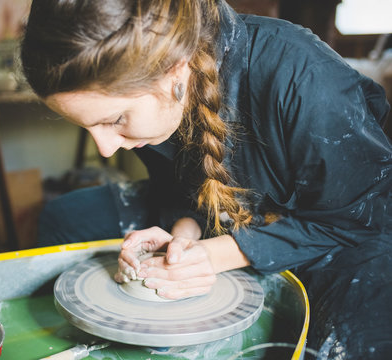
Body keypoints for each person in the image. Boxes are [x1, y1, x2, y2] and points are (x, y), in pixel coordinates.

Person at [20, 0, 392, 358]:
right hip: (230, 212)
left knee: (344, 343)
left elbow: (359, 217)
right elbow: (182, 189)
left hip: (342, 234)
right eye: (89, 127)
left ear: (175, 72)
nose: (105, 149)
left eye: (115, 120)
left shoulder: (303, 77)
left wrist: (215, 255)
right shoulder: (152, 102)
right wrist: (182, 240)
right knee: (63, 218)